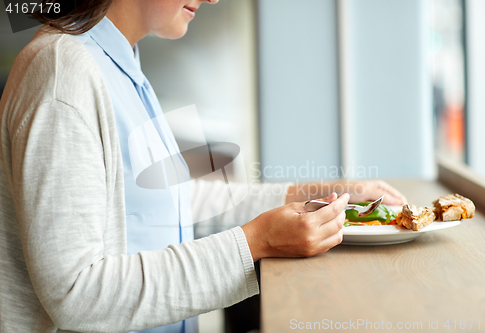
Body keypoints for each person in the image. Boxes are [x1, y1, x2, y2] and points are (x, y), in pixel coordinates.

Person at [0, 0, 407, 332]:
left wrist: (321, 196)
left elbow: (173, 205)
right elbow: (77, 293)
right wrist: (254, 244)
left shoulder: (119, 66)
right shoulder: (63, 74)